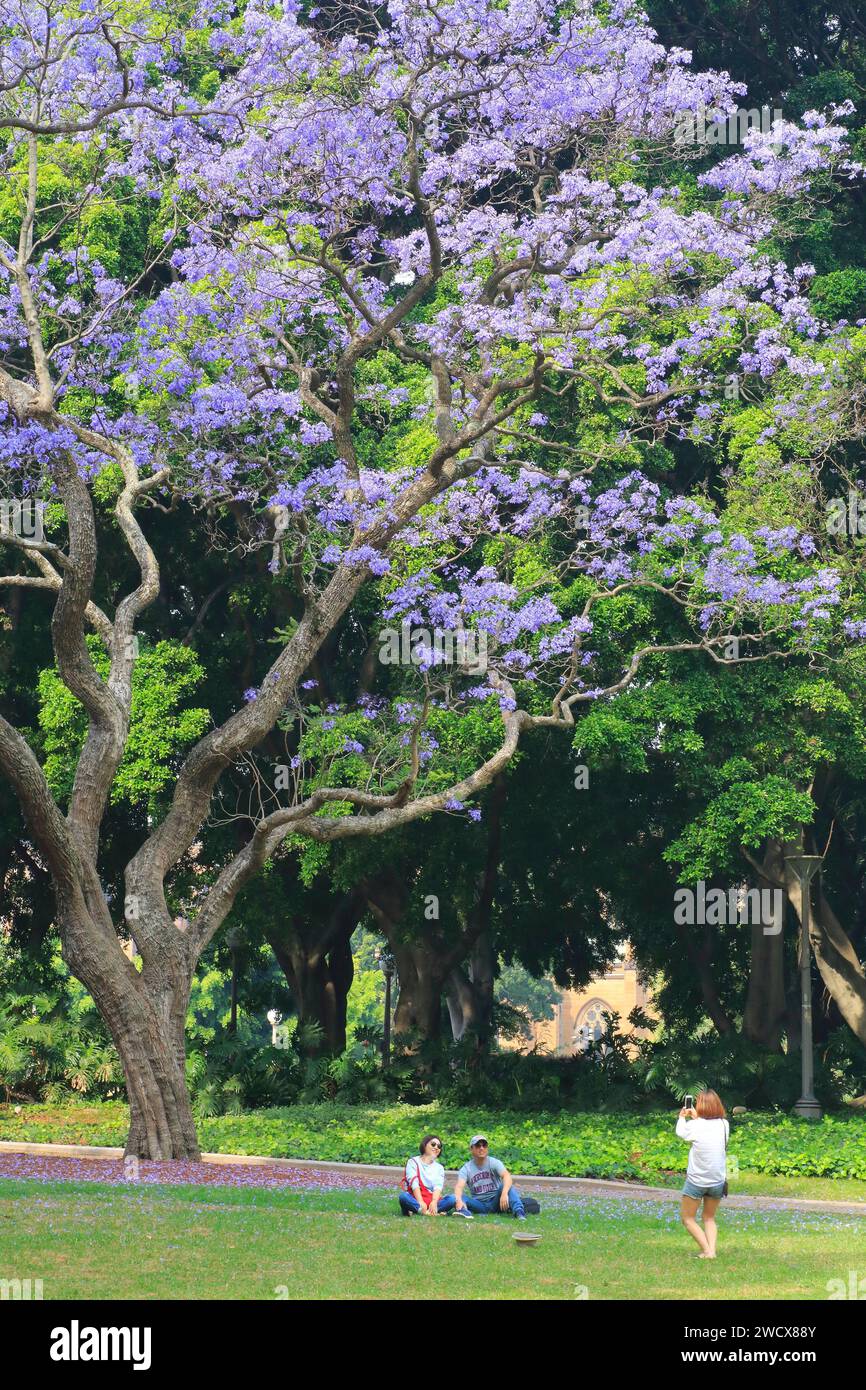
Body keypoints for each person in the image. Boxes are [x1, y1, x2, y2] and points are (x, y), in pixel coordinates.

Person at [676, 1090, 729, 1258]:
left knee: (688, 1218)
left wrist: (682, 1117)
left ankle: (706, 1250)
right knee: (709, 1217)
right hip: (717, 1181)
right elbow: (707, 1128)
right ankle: (711, 1250)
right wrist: (697, 1117)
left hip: (697, 1181)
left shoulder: (695, 1126)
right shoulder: (724, 1125)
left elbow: (681, 1133)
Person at [453, 1135, 527, 1219]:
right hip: (479, 1204)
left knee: (506, 1186)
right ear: (471, 1149)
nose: (481, 1148)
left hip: (497, 1201)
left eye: (484, 1145)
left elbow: (507, 1176)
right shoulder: (466, 1168)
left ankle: (519, 1212)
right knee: (461, 1197)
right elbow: (459, 1187)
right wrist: (459, 1200)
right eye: (478, 1146)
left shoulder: (494, 1162)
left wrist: (504, 1193)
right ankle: (463, 1211)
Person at [398, 1135, 457, 1216]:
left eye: (439, 1146)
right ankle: (430, 1211)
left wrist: (434, 1202)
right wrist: (420, 1202)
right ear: (425, 1145)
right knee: (403, 1197)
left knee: (452, 1199)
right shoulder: (413, 1162)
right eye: (433, 1144)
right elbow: (414, 1183)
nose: (436, 1147)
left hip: (431, 1199)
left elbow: (437, 1187)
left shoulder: (439, 1168)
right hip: (416, 1197)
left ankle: (420, 1210)